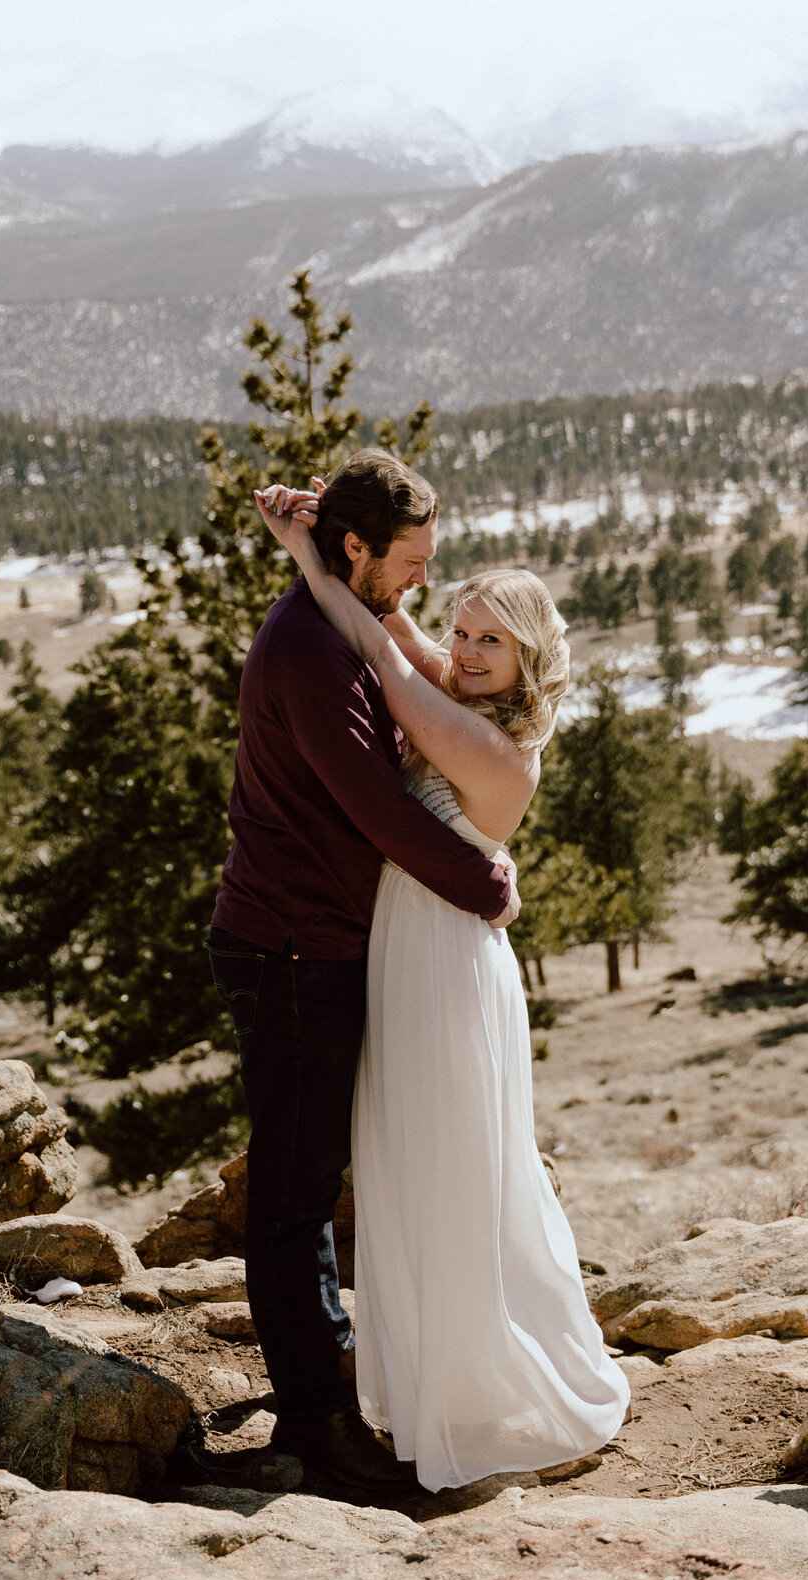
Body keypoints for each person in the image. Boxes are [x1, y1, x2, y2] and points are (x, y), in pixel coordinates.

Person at [255, 466, 630, 1492]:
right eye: (460, 631)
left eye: (488, 641)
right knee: (405, 1175)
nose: (461, 651)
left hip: (449, 967)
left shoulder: (492, 745)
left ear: (529, 661)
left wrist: (306, 557)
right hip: (407, 953)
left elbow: (379, 644)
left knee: (458, 1177)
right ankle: (424, 1390)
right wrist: (319, 550)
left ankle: (482, 1399)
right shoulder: (458, 690)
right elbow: (393, 632)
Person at [207, 449, 518, 1495]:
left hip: (314, 940)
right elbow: (373, 808)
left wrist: (307, 555)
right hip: (289, 949)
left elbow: (398, 653)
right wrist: (485, 886)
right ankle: (317, 1426)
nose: (424, 580)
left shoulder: (331, 617)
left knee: (310, 1181)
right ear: (359, 550)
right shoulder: (307, 652)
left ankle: (325, 1389)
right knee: (294, 1198)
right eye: (415, 561)